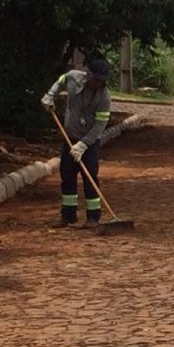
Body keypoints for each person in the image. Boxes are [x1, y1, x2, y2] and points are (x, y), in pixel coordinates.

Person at [41, 59, 112, 227]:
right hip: (69, 136)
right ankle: (68, 215)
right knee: (67, 175)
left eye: (102, 80)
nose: (98, 83)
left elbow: (99, 126)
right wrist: (50, 95)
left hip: (90, 141)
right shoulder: (73, 78)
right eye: (96, 79)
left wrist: (83, 145)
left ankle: (93, 217)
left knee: (90, 176)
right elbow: (61, 80)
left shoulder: (104, 97)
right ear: (88, 75)